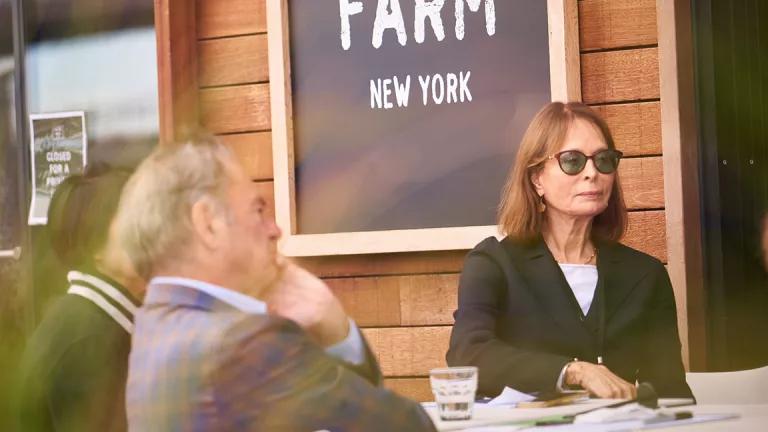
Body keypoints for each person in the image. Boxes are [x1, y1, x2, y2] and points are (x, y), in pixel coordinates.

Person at [113, 133, 435, 431]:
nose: (275, 229)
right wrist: (335, 328)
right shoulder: (243, 343)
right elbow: (401, 425)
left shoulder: (154, 325)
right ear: (208, 224)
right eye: (258, 210)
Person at [447, 102, 693, 399]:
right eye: (573, 161)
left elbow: (672, 392)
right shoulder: (494, 263)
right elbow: (468, 354)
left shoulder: (645, 274)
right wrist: (573, 371)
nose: (592, 173)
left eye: (603, 160)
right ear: (537, 178)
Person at [19, 165, 144, 431]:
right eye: (134, 220)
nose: (149, 231)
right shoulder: (89, 338)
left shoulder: (94, 319)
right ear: (93, 243)